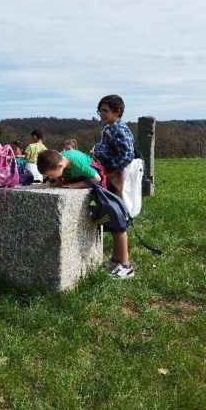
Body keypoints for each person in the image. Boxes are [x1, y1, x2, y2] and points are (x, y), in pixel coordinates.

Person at [92, 94, 135, 279]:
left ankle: (125, 266)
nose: (101, 114)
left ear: (117, 112)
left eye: (105, 111)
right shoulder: (110, 128)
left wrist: (111, 172)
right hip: (110, 178)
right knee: (113, 217)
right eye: (99, 111)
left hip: (118, 180)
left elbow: (127, 154)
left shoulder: (118, 128)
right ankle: (116, 259)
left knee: (118, 220)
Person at [37, 148, 103, 189]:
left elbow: (97, 178)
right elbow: (55, 169)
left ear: (60, 166)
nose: (50, 177)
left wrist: (76, 185)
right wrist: (59, 181)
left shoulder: (79, 166)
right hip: (71, 171)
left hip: (89, 169)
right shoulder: (57, 160)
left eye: (51, 175)